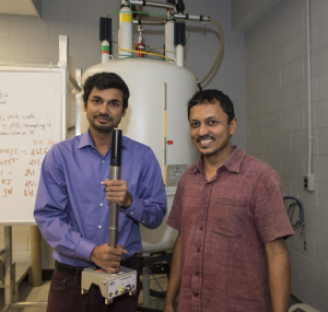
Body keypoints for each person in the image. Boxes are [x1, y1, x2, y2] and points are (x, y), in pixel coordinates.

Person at [34, 72, 167, 312]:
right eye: (97, 101)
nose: (104, 109)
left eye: (114, 103)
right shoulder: (60, 156)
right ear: (85, 105)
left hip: (123, 276)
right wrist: (91, 251)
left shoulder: (143, 157)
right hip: (71, 280)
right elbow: (49, 217)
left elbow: (156, 216)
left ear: (124, 111)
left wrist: (129, 201)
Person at [163, 89, 294, 312]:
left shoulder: (261, 178)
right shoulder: (187, 179)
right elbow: (182, 241)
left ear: (232, 126)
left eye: (211, 122)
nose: (202, 131)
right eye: (195, 124)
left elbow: (277, 254)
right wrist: (169, 301)